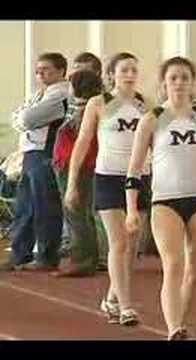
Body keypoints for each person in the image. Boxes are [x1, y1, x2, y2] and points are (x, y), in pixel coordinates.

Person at [125, 56, 196, 340]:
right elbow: (135, 166)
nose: (179, 83)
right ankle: (173, 327)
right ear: (164, 83)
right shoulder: (152, 119)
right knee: (173, 265)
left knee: (195, 271)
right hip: (165, 200)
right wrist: (131, 209)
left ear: (193, 82)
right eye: (173, 78)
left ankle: (183, 322)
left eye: (185, 77)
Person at [65, 52, 151, 326]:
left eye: (134, 69)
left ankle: (113, 297)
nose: (130, 74)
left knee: (132, 245)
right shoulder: (99, 103)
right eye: (124, 69)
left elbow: (156, 142)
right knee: (119, 242)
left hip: (140, 178)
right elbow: (83, 142)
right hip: (108, 177)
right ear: (111, 74)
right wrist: (72, 183)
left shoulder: (145, 104)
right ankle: (126, 306)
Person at [0, 52, 69, 271]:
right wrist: (24, 118)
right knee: (25, 206)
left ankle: (48, 257)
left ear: (60, 71)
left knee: (45, 206)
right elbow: (18, 117)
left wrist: (24, 118)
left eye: (46, 69)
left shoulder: (61, 93)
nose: (40, 74)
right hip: (30, 153)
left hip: (46, 153)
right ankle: (20, 253)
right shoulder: (40, 93)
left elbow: (27, 118)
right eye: (38, 70)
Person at [51, 69, 103, 277]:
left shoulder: (84, 110)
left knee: (76, 211)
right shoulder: (79, 107)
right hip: (70, 162)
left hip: (78, 164)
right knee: (79, 212)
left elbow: (81, 141)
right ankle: (85, 256)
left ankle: (83, 259)